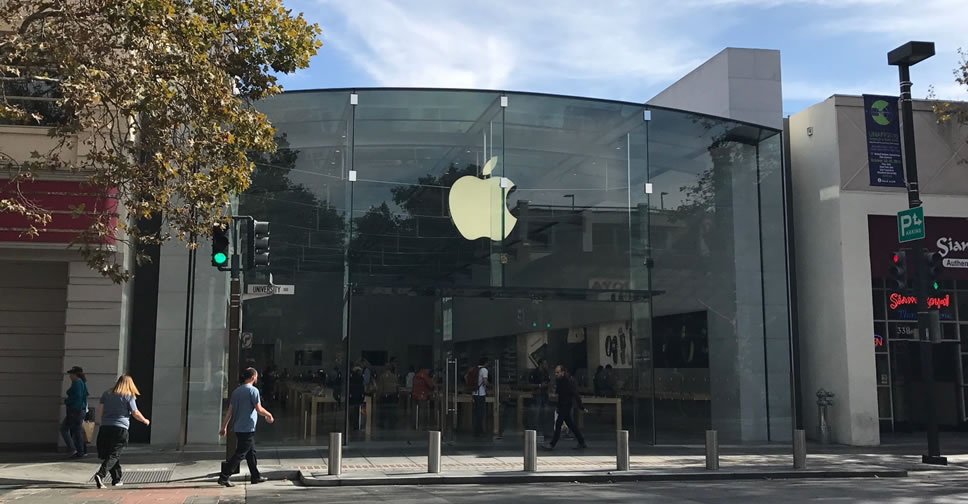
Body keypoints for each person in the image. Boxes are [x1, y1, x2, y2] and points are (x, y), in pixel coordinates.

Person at [217, 367, 274, 487]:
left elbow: (230, 411)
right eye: (256, 377)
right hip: (247, 427)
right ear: (253, 377)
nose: (257, 379)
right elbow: (258, 409)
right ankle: (224, 476)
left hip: (238, 427)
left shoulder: (236, 391)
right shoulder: (253, 391)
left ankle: (255, 476)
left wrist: (224, 426)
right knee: (241, 453)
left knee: (251, 452)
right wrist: (269, 414)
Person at [93, 375, 150, 488]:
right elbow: (135, 412)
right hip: (120, 428)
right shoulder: (128, 396)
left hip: (105, 427)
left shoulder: (106, 394)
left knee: (111, 454)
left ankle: (116, 479)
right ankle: (100, 474)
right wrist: (145, 420)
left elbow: (100, 410)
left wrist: (100, 423)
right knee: (114, 454)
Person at [546, 365, 586, 450]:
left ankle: (552, 444)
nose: (556, 374)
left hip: (566, 405)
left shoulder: (568, 381)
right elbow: (559, 394)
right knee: (570, 424)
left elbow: (575, 394)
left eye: (558, 372)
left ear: (562, 373)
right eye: (555, 372)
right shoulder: (559, 381)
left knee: (558, 423)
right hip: (562, 405)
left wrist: (581, 406)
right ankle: (581, 441)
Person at [61, 366, 89, 459]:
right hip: (81, 410)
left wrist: (67, 401)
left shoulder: (76, 383)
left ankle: (72, 448)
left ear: (75, 375)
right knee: (77, 431)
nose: (70, 376)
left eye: (71, 374)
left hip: (74, 410)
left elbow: (77, 397)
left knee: (64, 428)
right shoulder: (82, 383)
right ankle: (80, 451)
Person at [528, 360, 551, 434]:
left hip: (545, 395)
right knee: (536, 413)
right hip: (537, 395)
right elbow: (530, 384)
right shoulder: (534, 373)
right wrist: (540, 385)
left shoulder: (546, 373)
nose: (547, 365)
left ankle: (544, 430)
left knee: (545, 413)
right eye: (545, 363)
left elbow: (549, 382)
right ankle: (535, 430)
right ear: (540, 364)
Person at [469, 357, 489, 437]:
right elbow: (485, 381)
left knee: (477, 412)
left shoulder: (475, 369)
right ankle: (479, 430)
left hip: (474, 393)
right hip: (481, 394)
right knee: (480, 413)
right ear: (486, 363)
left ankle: (476, 430)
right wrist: (489, 386)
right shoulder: (484, 370)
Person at [376, 365, 399, 430]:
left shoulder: (382, 376)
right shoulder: (395, 376)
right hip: (393, 395)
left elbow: (380, 387)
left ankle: (382, 424)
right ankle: (392, 423)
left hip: (385, 395)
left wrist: (378, 396)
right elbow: (397, 387)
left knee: (383, 410)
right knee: (392, 410)